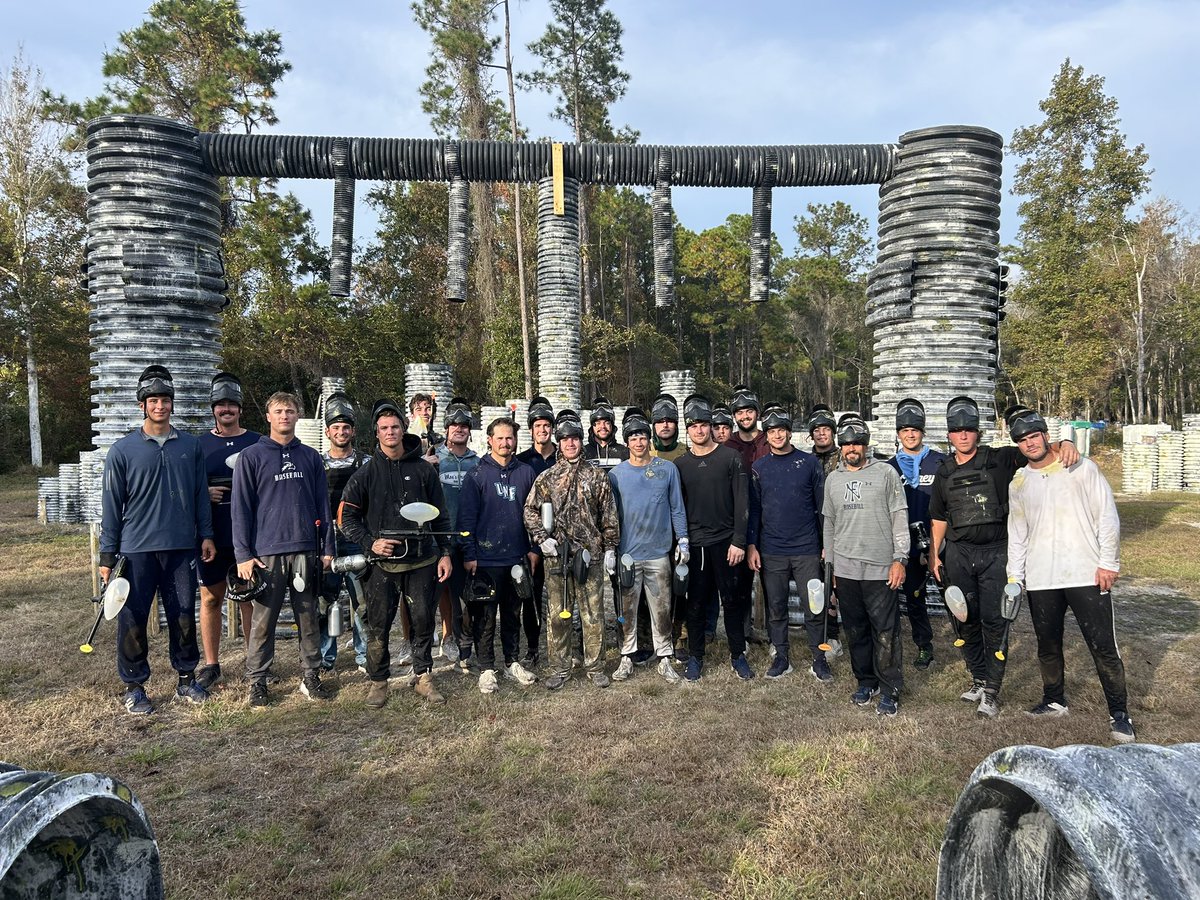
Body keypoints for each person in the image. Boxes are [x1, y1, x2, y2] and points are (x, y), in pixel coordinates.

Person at [929, 395, 1079, 718]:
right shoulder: (943, 473)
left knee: (996, 622)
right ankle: (979, 678)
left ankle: (993, 692)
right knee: (964, 619)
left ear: (978, 433)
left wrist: (1065, 442)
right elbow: (939, 517)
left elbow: (1035, 448)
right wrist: (934, 554)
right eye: (957, 430)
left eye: (969, 429)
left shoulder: (1001, 459)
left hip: (996, 553)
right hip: (958, 553)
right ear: (950, 435)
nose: (964, 435)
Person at [1005, 409, 1135, 742]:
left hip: (1085, 572)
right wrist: (1014, 577)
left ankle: (1119, 714)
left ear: (1045, 435)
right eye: (1022, 440)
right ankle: (1053, 700)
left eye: (1034, 436)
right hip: (1041, 577)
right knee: (1047, 645)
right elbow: (1017, 533)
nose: (1030, 444)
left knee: (1102, 645)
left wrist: (1109, 563)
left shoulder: (1080, 467)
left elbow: (1106, 516)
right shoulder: (1019, 482)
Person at [100, 365, 215, 714]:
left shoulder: (190, 447)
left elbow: (200, 496)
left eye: (165, 400)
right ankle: (134, 686)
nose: (160, 406)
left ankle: (185, 679)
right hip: (136, 550)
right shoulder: (122, 451)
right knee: (133, 618)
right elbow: (111, 505)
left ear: (171, 405)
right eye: (153, 401)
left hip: (181, 547)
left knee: (182, 615)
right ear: (142, 405)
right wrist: (107, 556)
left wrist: (206, 535)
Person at [338, 400, 453, 707]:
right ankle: (379, 681)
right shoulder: (365, 474)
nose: (390, 433)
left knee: (423, 619)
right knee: (378, 624)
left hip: (423, 560)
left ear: (404, 430)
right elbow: (345, 517)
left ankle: (423, 676)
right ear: (376, 433)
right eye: (384, 428)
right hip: (382, 565)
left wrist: (445, 553)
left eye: (395, 427)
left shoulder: (424, 471)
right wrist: (369, 543)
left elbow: (441, 517)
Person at [232, 391, 335, 708]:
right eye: (278, 411)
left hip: (305, 549)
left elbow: (323, 505)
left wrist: (327, 547)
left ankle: (311, 676)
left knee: (308, 616)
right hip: (266, 554)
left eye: (290, 411)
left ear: (297, 416)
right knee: (263, 622)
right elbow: (241, 509)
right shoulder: (251, 457)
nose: (284, 416)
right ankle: (258, 681)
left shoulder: (310, 457)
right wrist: (243, 555)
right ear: (268, 416)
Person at [522, 409, 620, 690]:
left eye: (575, 439)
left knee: (593, 615)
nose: (570, 444)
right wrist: (542, 538)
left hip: (590, 556)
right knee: (558, 615)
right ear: (559, 442)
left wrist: (610, 548)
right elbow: (529, 511)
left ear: (581, 440)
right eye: (565, 440)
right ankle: (560, 668)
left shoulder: (598, 476)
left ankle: (595, 667)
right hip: (557, 557)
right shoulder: (548, 478)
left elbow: (609, 516)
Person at [822, 414, 909, 717]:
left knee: (885, 631)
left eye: (857, 443)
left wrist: (900, 559)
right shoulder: (833, 479)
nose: (852, 449)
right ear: (841, 447)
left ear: (866, 445)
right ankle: (866, 681)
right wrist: (831, 566)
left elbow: (899, 516)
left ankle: (890, 687)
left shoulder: (885, 473)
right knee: (856, 629)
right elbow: (829, 524)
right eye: (846, 444)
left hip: (880, 567)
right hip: (845, 569)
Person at [457, 417, 539, 693]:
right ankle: (486, 667)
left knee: (513, 613)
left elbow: (535, 515)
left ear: (516, 441)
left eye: (510, 438)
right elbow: (466, 519)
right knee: (485, 616)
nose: (506, 443)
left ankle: (512, 661)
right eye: (500, 438)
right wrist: (469, 553)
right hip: (485, 559)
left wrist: (533, 549)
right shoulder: (477, 475)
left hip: (516, 558)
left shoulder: (526, 473)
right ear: (489, 440)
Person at [607, 407, 689, 683]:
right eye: (633, 438)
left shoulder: (667, 470)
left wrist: (683, 540)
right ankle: (626, 656)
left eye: (642, 437)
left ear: (649, 439)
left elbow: (677, 507)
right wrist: (611, 548)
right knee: (627, 610)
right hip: (628, 554)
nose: (638, 442)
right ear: (627, 442)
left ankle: (665, 657)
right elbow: (612, 516)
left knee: (662, 607)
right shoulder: (617, 475)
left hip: (659, 553)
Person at [747, 406, 828, 681]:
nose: (777, 435)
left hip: (806, 549)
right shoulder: (759, 468)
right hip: (772, 550)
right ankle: (782, 656)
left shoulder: (809, 464)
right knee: (776, 608)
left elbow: (822, 506)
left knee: (814, 607)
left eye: (781, 430)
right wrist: (752, 546)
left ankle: (820, 657)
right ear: (766, 436)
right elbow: (755, 511)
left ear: (790, 433)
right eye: (772, 431)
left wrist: (825, 542)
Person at [674, 394, 751, 682]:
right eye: (693, 425)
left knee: (731, 602)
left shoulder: (731, 458)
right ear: (688, 429)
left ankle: (737, 655)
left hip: (726, 543)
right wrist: (680, 542)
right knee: (695, 604)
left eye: (704, 425)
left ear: (711, 427)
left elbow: (743, 501)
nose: (699, 430)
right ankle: (695, 657)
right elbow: (677, 506)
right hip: (695, 545)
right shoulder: (681, 465)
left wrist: (739, 541)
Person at [195, 372, 260, 690]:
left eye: (231, 404)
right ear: (213, 409)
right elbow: (186, 489)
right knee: (210, 599)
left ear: (240, 409)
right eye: (220, 405)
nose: (226, 410)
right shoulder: (198, 446)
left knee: (250, 599)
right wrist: (204, 493)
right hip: (212, 535)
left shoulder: (258, 442)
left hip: (249, 536)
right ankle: (211, 664)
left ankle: (255, 664)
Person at [884, 398, 945, 671]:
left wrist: (935, 549)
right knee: (912, 598)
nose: (910, 434)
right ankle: (923, 645)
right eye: (905, 429)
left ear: (923, 432)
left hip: (936, 542)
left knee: (956, 596)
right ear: (898, 434)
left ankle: (970, 645)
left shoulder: (940, 462)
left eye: (915, 429)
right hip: (900, 545)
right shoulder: (887, 468)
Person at [318, 392, 369, 674]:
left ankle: (364, 656)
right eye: (335, 427)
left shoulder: (367, 463)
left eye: (346, 427)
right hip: (327, 542)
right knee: (325, 602)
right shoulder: (317, 464)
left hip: (357, 540)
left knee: (363, 603)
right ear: (327, 432)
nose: (341, 432)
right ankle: (326, 659)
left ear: (353, 431)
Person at [725, 385, 771, 645]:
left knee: (770, 582)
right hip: (739, 520)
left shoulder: (769, 439)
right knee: (740, 583)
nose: (745, 416)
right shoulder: (728, 445)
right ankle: (742, 632)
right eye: (740, 412)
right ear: (735, 417)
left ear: (757, 413)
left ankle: (771, 632)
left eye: (749, 411)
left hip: (770, 519)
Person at [435, 397, 480, 667]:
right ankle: (448, 636)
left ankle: (466, 637)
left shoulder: (479, 462)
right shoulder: (435, 459)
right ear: (446, 429)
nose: (459, 429)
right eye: (454, 425)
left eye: (464, 425)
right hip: (443, 537)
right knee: (444, 593)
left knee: (470, 594)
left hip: (469, 537)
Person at [515, 396, 556, 669]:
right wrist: (532, 545)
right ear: (531, 429)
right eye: (538, 425)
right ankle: (532, 647)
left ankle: (564, 647)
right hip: (530, 540)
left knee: (563, 596)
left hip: (561, 538)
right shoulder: (522, 462)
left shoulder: (564, 456)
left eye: (546, 425)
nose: (542, 430)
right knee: (530, 595)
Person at [807, 403, 843, 659]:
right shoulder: (806, 460)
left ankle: (840, 634)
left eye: (825, 429)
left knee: (840, 586)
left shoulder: (844, 457)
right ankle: (828, 635)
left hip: (842, 530)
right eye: (816, 430)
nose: (821, 434)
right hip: (813, 531)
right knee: (822, 586)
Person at [584, 396, 629, 471]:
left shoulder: (624, 452)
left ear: (612, 425)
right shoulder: (584, 453)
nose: (603, 426)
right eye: (598, 423)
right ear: (592, 426)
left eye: (607, 423)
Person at [650, 393, 686, 462]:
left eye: (669, 421)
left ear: (676, 424)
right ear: (654, 425)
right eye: (660, 421)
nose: (665, 425)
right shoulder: (644, 454)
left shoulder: (687, 452)